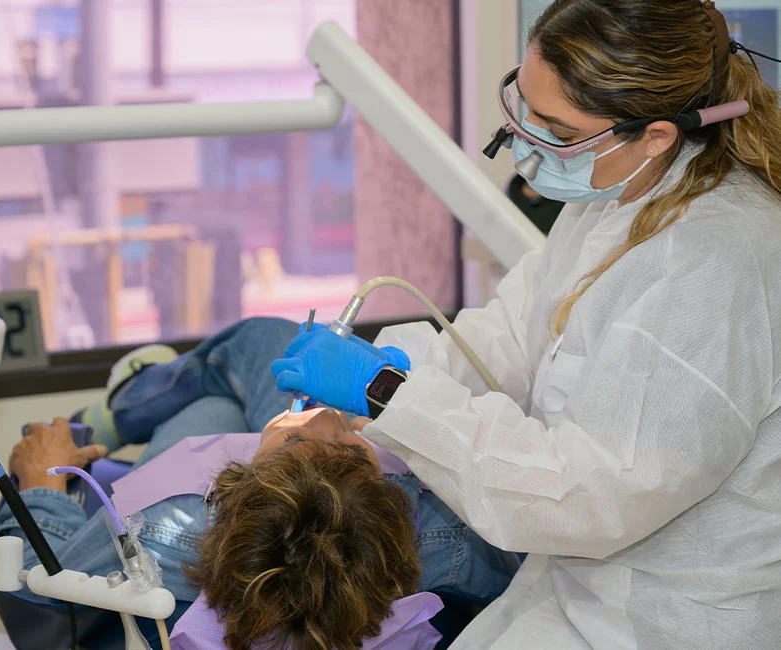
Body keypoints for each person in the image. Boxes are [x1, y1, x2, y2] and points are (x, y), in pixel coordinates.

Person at [272, 2, 781, 648]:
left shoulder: (713, 265)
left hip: (667, 617)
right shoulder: (622, 192)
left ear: (656, 135)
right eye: (526, 111)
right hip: (580, 580)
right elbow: (513, 337)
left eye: (558, 133)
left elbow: (589, 492)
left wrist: (388, 397)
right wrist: (389, 371)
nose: (528, 152)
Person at [0, 318, 521, 650]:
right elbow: (519, 580)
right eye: (347, 439)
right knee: (258, 351)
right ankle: (147, 397)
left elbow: (38, 580)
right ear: (392, 501)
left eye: (296, 441)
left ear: (230, 490)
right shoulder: (445, 533)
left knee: (223, 386)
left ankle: (111, 412)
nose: (320, 415)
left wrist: (36, 487)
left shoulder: (169, 527)